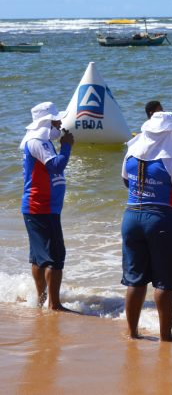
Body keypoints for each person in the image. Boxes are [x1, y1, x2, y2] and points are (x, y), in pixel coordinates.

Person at [121, 112, 172, 341]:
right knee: (164, 281)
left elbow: (126, 181)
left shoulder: (132, 151)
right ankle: (166, 335)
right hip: (160, 219)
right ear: (167, 133)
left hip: (131, 217)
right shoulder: (171, 158)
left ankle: (132, 332)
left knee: (135, 280)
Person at [20, 102, 74, 311]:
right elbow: (56, 165)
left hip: (41, 207)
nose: (60, 124)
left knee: (39, 256)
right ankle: (54, 303)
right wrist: (67, 145)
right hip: (41, 207)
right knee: (55, 257)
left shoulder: (42, 141)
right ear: (46, 122)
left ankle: (42, 300)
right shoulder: (37, 142)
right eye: (56, 121)